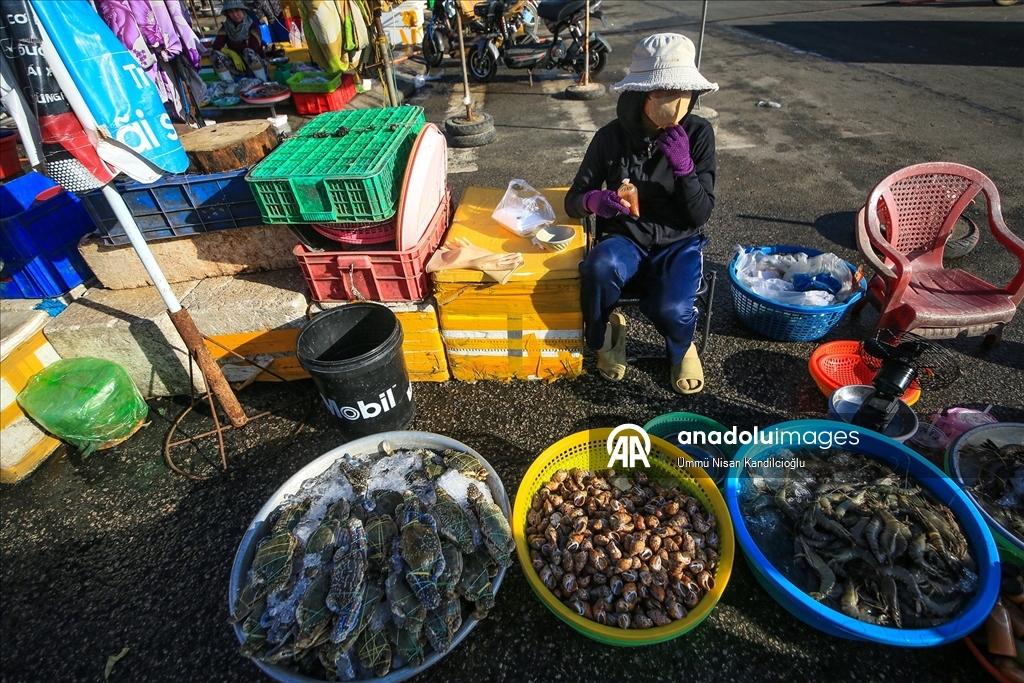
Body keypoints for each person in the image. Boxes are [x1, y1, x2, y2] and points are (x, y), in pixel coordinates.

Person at [565, 33, 718, 395]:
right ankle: (607, 339)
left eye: (683, 92)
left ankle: (682, 347)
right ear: (641, 95)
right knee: (598, 268)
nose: (677, 101)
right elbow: (574, 198)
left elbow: (700, 214)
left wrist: (684, 168)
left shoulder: (697, 134)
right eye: (665, 92)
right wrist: (595, 202)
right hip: (625, 239)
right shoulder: (610, 138)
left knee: (672, 307)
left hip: (678, 242)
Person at [210, 0, 268, 81]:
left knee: (248, 52)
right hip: (238, 67)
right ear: (227, 14)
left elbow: (252, 48)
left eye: (237, 10)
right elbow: (216, 45)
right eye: (231, 12)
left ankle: (262, 81)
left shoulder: (253, 26)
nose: (235, 14)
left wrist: (230, 43)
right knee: (215, 54)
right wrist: (232, 54)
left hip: (257, 65)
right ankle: (229, 83)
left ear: (243, 11)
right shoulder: (226, 28)